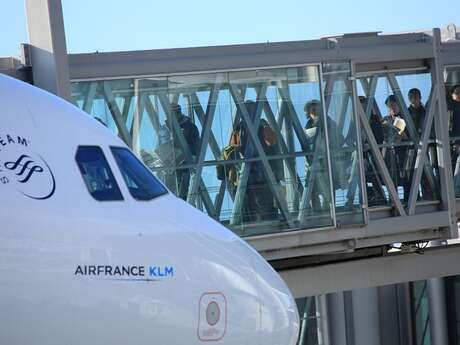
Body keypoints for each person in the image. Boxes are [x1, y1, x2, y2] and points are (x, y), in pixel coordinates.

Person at [230, 100, 282, 222]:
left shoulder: (251, 126)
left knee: (261, 204)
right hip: (256, 175)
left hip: (259, 175)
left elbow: (233, 149)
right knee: (259, 205)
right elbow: (272, 143)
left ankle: (264, 222)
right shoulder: (242, 127)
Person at [346, 96, 386, 207]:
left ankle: (354, 199)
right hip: (361, 154)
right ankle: (366, 197)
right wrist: (355, 145)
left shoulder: (374, 118)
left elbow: (380, 136)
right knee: (358, 170)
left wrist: (370, 145)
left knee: (361, 171)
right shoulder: (354, 120)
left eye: (362, 104)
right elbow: (348, 138)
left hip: (372, 153)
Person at [303, 100, 333, 212]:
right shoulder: (308, 125)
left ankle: (327, 206)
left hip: (324, 159)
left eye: (316, 109)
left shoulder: (327, 122)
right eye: (312, 110)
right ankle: (316, 208)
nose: (315, 112)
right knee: (312, 186)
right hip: (311, 160)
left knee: (325, 184)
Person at [167, 103, 200, 201]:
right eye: (174, 112)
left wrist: (190, 158)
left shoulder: (190, 127)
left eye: (177, 112)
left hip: (185, 165)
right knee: (173, 194)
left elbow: (195, 145)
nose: (176, 114)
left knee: (182, 193)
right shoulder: (166, 128)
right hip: (172, 166)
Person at [407, 88, 435, 200]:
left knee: (425, 172)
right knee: (412, 173)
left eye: (415, 96)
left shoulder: (426, 111)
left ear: (419, 97)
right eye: (412, 97)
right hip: (411, 147)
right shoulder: (406, 113)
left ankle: (427, 196)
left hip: (424, 146)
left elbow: (432, 127)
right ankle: (414, 198)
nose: (414, 99)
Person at [382, 95, 408, 200]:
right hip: (390, 153)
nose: (391, 108)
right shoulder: (385, 119)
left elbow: (406, 136)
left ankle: (409, 198)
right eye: (389, 106)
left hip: (403, 151)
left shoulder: (405, 118)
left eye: (393, 105)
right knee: (392, 176)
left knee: (405, 174)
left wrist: (399, 133)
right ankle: (392, 198)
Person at [448, 85, 460, 195]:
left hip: (456, 141)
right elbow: (451, 126)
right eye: (457, 92)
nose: (459, 95)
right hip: (454, 142)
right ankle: (455, 190)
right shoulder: (450, 108)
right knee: (454, 164)